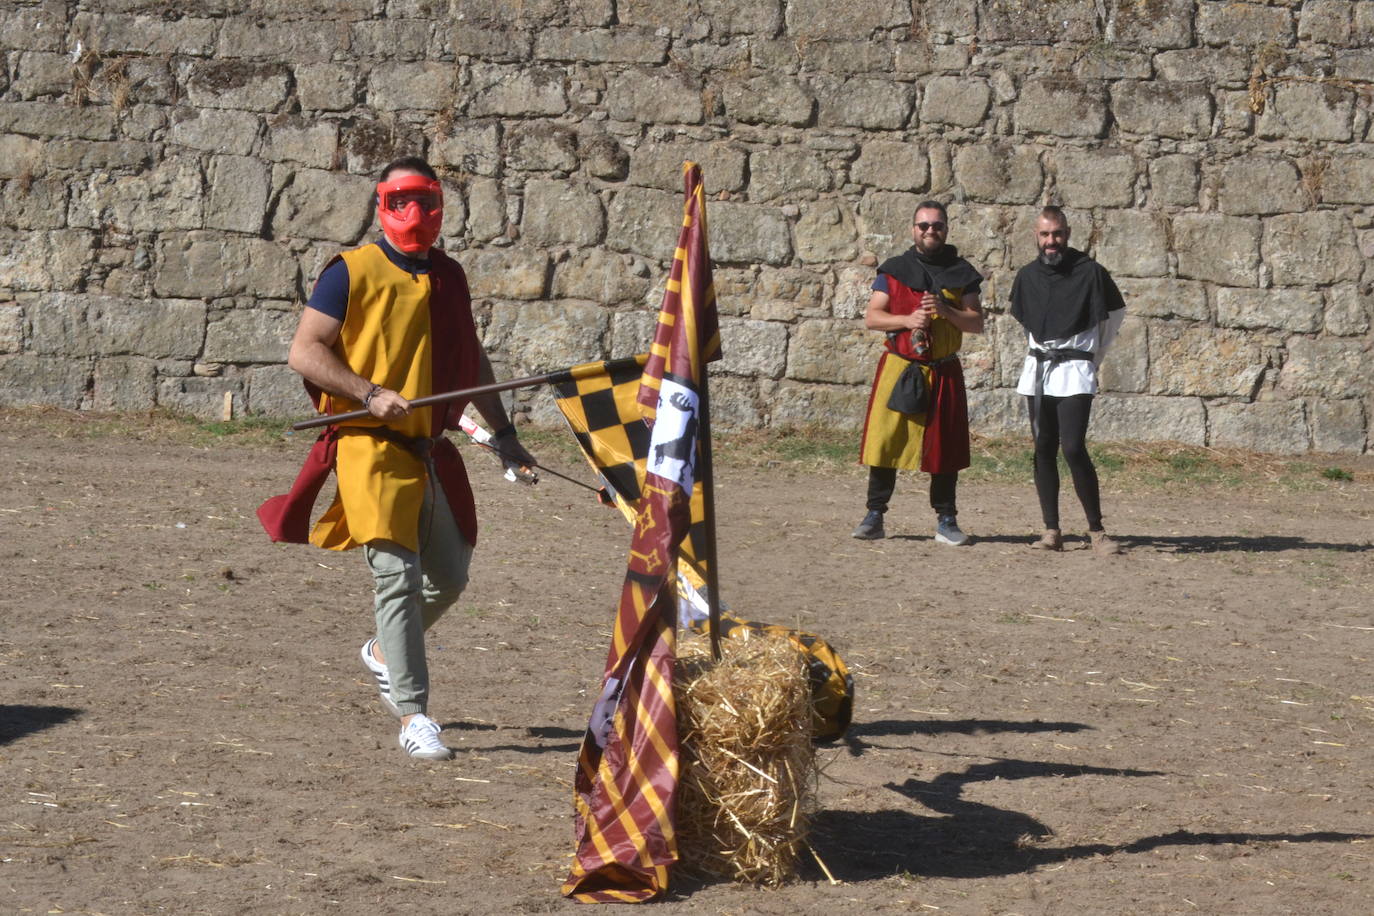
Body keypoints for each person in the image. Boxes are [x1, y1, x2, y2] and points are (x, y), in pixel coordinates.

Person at [261, 155, 534, 760]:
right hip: (368, 447)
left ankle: (385, 652)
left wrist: (504, 433)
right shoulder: (349, 272)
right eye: (401, 201)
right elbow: (306, 350)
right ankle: (414, 715)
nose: (416, 214)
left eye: (427, 201)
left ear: (441, 205)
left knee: (450, 577)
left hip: (427, 449)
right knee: (397, 578)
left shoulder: (449, 276)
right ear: (381, 204)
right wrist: (367, 393)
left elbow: (471, 358)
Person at [853, 201, 985, 544]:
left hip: (943, 370)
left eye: (937, 225)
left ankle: (947, 520)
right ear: (913, 229)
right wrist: (907, 320)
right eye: (924, 225)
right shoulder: (894, 270)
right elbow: (873, 317)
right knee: (885, 441)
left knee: (945, 447)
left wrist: (945, 310)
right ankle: (874, 515)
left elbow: (976, 322)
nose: (930, 231)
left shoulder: (962, 273)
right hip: (900, 366)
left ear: (946, 229)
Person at [1009, 205, 1125, 555]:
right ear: (1036, 236)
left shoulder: (1091, 272)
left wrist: (1091, 358)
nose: (1051, 241)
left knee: (1073, 447)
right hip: (1039, 371)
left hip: (1075, 370)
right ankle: (1051, 531)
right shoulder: (1027, 276)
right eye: (1045, 234)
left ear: (1068, 234)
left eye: (1057, 234)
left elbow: (1114, 316)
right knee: (1043, 448)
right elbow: (1026, 321)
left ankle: (1097, 531)